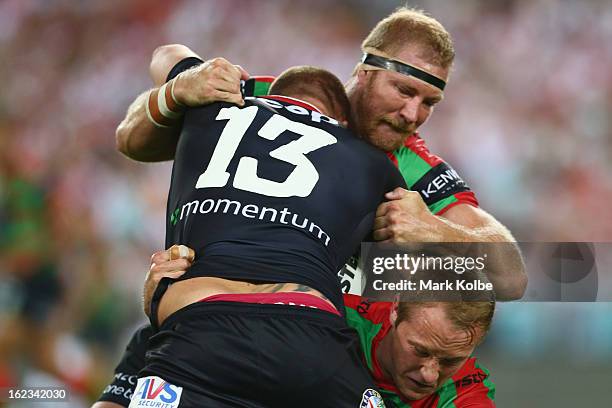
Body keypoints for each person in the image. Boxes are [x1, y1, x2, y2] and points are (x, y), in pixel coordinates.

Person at [115, 7, 527, 301]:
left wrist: (434, 235)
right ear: (365, 72)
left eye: (429, 102)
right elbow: (134, 136)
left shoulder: (416, 169)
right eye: (404, 91)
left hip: (311, 339)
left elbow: (510, 277)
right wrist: (175, 89)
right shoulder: (273, 99)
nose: (413, 114)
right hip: (204, 306)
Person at [126, 65, 402, 408]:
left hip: (198, 323)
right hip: (308, 334)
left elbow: (157, 71)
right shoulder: (374, 161)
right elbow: (461, 276)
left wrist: (176, 88)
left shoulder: (205, 107)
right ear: (342, 124)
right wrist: (437, 229)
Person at [94, 247, 496, 408]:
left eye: (450, 360)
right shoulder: (330, 314)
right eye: (421, 350)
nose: (430, 374)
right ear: (393, 313)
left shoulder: (466, 394)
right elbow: (195, 324)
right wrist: (161, 293)